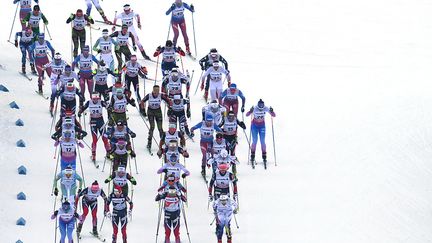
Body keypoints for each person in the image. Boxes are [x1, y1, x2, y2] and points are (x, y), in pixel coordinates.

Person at [79, 92, 111, 162]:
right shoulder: (89, 102)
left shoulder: (101, 102)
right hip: (93, 122)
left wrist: (109, 109)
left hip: (100, 121)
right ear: (91, 97)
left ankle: (109, 152)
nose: (95, 99)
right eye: (94, 97)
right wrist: (80, 112)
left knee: (104, 138)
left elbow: (107, 106)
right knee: (94, 139)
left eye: (97, 97)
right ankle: (93, 154)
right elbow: (83, 108)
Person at [140, 85, 171, 149]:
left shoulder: (161, 95)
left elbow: (168, 101)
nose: (156, 92)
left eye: (158, 90)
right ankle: (149, 143)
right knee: (152, 127)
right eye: (155, 90)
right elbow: (142, 101)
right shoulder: (149, 95)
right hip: (150, 111)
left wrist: (170, 107)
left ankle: (163, 143)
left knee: (160, 128)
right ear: (153, 90)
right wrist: (143, 109)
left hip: (158, 111)